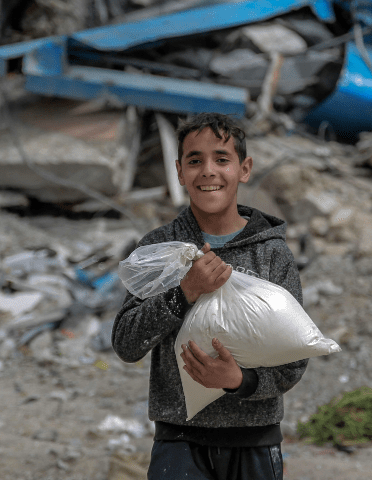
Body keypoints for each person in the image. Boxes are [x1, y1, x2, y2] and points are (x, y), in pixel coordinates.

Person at [112, 112, 307, 480]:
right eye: (195, 160)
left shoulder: (271, 254)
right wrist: (185, 292)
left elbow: (293, 363)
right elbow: (126, 342)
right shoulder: (159, 248)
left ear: (244, 169)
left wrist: (239, 380)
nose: (208, 171)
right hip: (179, 440)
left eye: (222, 159)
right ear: (180, 172)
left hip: (255, 441)